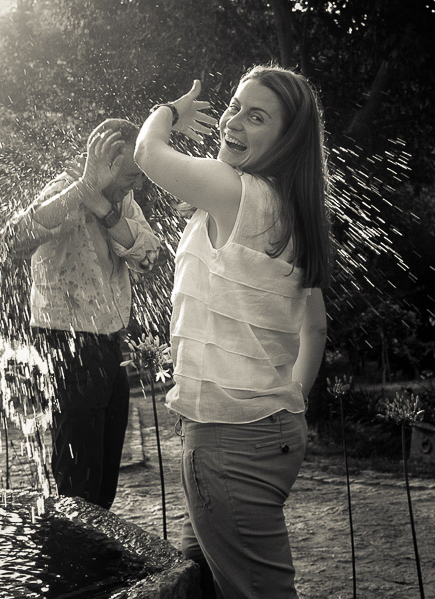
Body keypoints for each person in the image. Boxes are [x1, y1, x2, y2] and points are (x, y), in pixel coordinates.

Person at [135, 65, 330, 598]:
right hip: (268, 433)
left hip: (228, 442)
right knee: (195, 583)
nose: (234, 121)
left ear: (287, 140)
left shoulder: (237, 193)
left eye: (257, 116)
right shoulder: (293, 210)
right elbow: (315, 327)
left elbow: (147, 152)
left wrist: (169, 112)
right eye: (235, 106)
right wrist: (287, 401)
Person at [0, 118, 161, 509]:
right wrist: (83, 189)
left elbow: (149, 257)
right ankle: (70, 545)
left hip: (109, 343)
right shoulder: (63, 189)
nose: (138, 184)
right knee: (79, 481)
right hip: (68, 344)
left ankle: (90, 540)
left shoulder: (122, 200)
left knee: (104, 476)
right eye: (131, 175)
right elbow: (11, 239)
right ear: (104, 162)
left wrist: (104, 209)